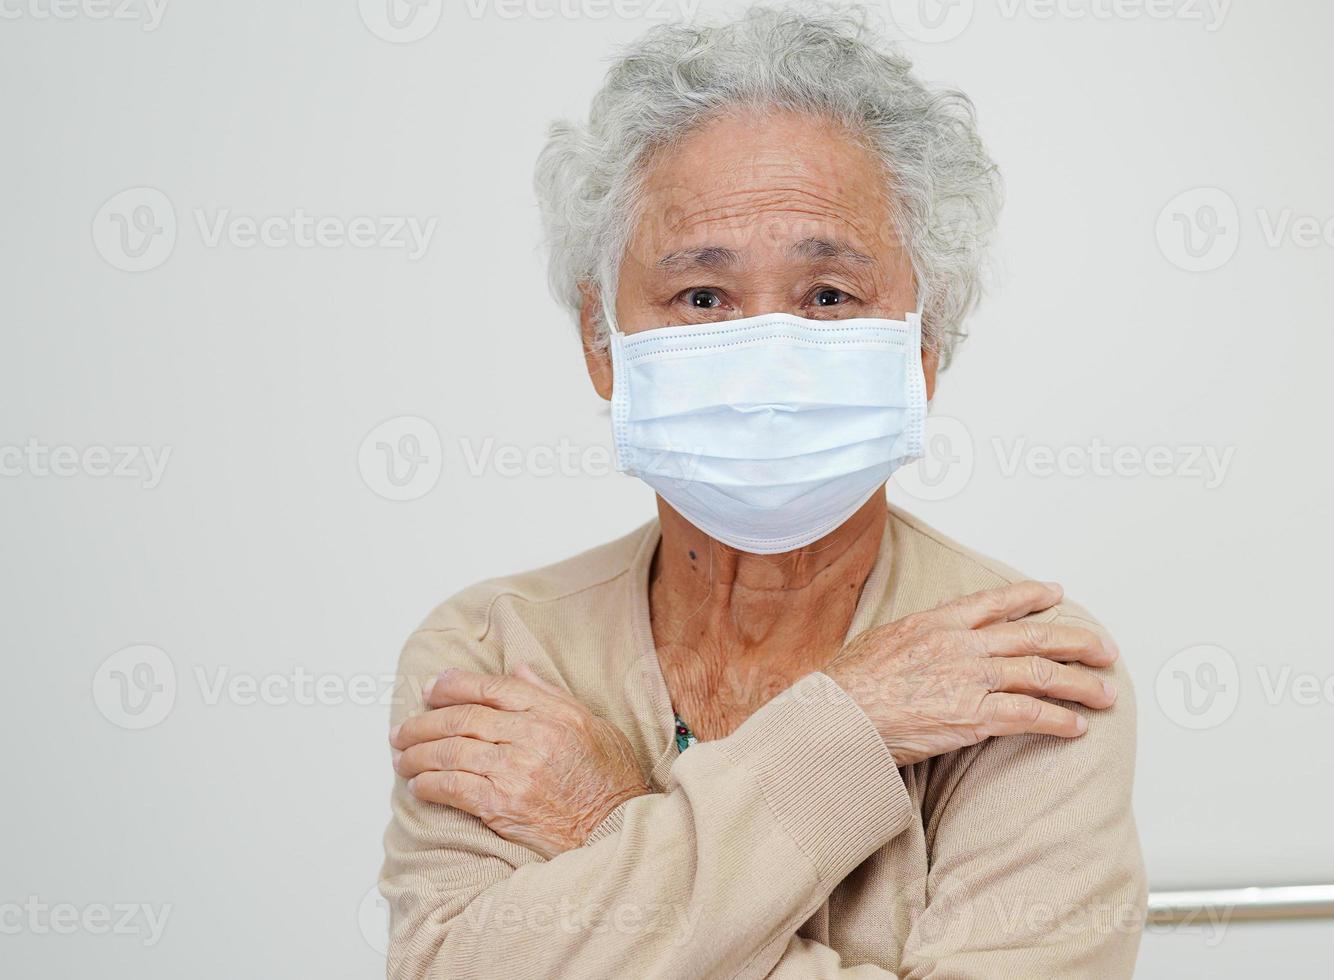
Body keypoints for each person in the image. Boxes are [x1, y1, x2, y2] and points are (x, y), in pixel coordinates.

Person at [380, 4, 1145, 976]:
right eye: (702, 297)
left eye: (829, 294)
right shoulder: (495, 649)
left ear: (924, 342)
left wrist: (608, 821)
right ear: (601, 342)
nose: (770, 359)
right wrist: (848, 726)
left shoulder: (1025, 667)